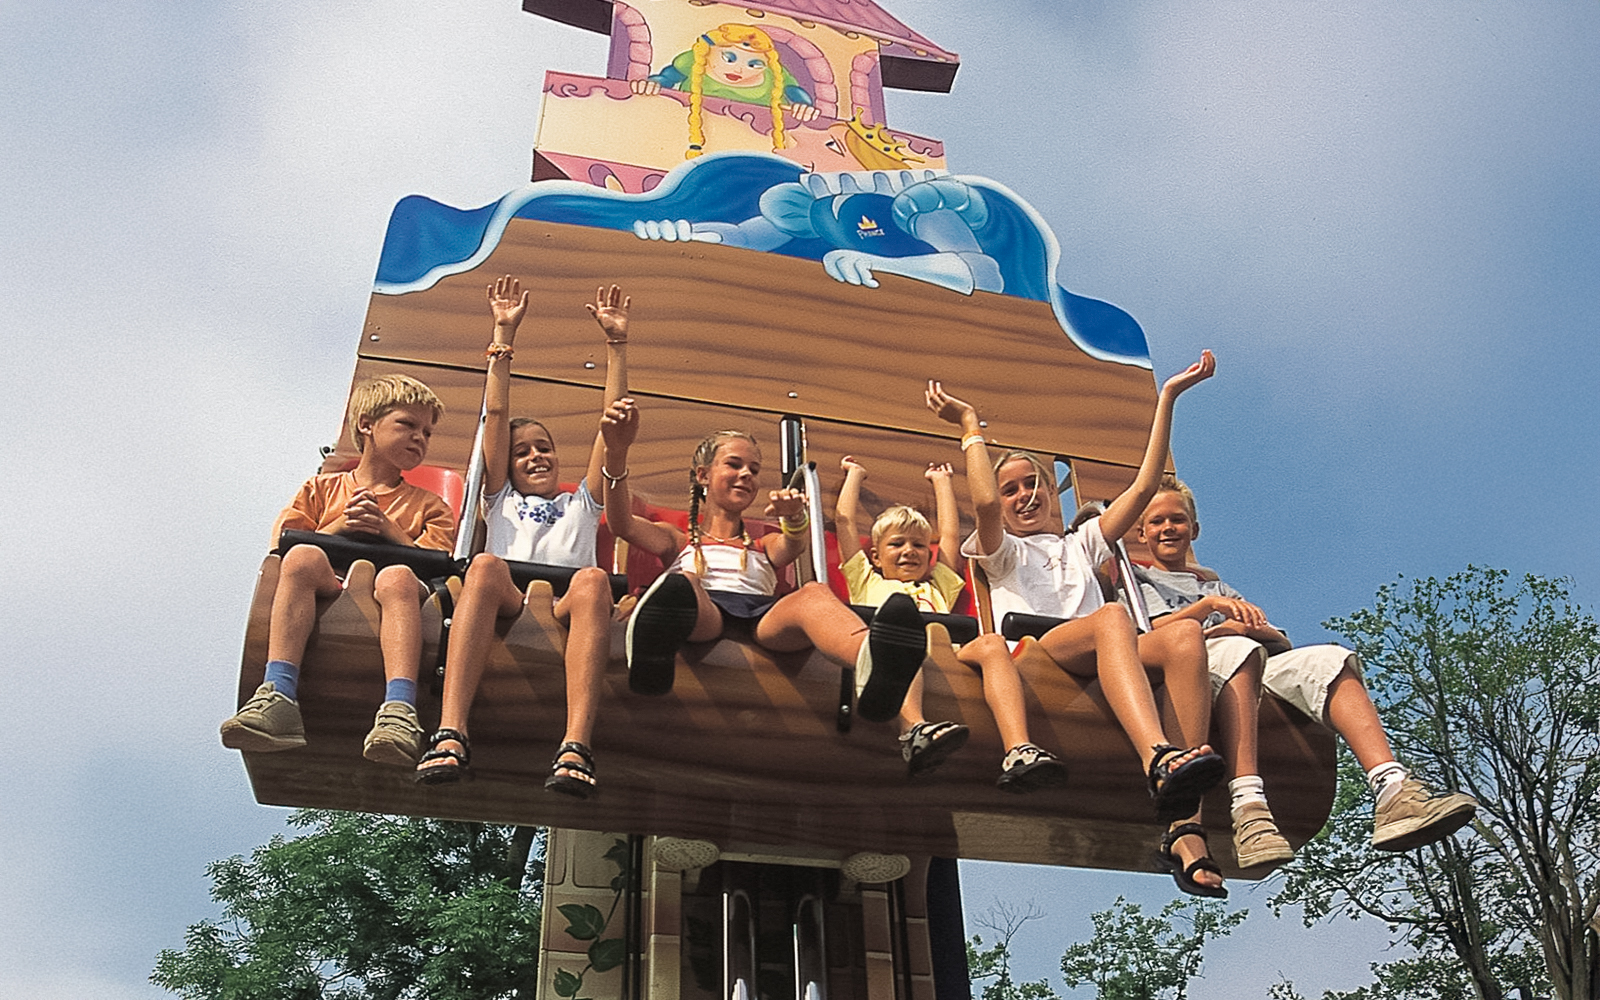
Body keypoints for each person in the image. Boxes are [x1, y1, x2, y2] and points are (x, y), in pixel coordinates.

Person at [930, 355, 1229, 898]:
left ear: (1051, 491)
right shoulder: (1002, 551)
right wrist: (970, 426)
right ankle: (1156, 755)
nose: (1024, 496)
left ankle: (1185, 826)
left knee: (1184, 636)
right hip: (1041, 654)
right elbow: (983, 503)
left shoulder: (1081, 543)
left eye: (1033, 485)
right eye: (1013, 489)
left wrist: (1167, 398)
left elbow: (1143, 488)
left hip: (1104, 651)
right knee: (1112, 616)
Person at [1133, 476, 1479, 856]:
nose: (1168, 528)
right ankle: (1249, 809)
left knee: (1329, 659)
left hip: (1252, 659)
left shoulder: (1218, 587)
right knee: (1238, 650)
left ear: (1194, 529)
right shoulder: (1139, 582)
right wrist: (1210, 614)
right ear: (1142, 532)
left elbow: (1274, 637)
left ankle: (1392, 788)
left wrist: (1240, 624)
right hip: (1199, 670)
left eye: (1177, 519)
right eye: (1157, 521)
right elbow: (1156, 634)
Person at [412, 279, 631, 796]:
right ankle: (451, 731)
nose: (536, 457)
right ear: (507, 467)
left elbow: (613, 427)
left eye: (544, 448)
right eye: (523, 452)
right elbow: (495, 417)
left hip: (565, 602)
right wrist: (503, 336)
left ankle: (576, 744)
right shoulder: (500, 498)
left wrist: (617, 346)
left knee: (595, 580)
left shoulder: (582, 502)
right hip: (509, 597)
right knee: (485, 566)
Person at [599, 399, 926, 723]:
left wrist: (794, 517)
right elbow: (622, 524)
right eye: (734, 465)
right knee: (683, 583)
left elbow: (792, 545)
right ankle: (652, 652)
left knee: (814, 593)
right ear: (703, 475)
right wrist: (616, 453)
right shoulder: (678, 540)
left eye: (753, 470)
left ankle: (874, 662)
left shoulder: (762, 544)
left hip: (762, 621)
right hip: (704, 617)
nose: (746, 474)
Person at [221, 374, 455, 765]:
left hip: (396, 595)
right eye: (407, 424)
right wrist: (341, 526)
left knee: (396, 577)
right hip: (329, 587)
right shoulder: (320, 490)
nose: (419, 437)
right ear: (367, 424)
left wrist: (388, 529)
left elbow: (438, 567)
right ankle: (277, 694)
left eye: (427, 432)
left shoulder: (430, 507)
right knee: (302, 558)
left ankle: (400, 710)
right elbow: (282, 547)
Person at [835, 456, 1067, 791]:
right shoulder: (866, 580)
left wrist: (942, 483)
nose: (909, 551)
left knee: (992, 643)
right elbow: (843, 521)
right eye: (896, 544)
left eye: (918, 545)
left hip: (947, 658)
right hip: (899, 652)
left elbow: (949, 537)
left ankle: (1019, 748)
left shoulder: (938, 585)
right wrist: (854, 476)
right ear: (875, 556)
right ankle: (913, 728)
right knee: (902, 638)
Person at [629, 22, 820, 159]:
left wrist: (804, 106)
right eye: (729, 58)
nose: (739, 70)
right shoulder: (696, 59)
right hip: (688, 139)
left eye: (754, 64)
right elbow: (668, 78)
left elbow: (794, 91)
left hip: (753, 146)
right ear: (710, 51)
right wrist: (652, 84)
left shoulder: (774, 75)